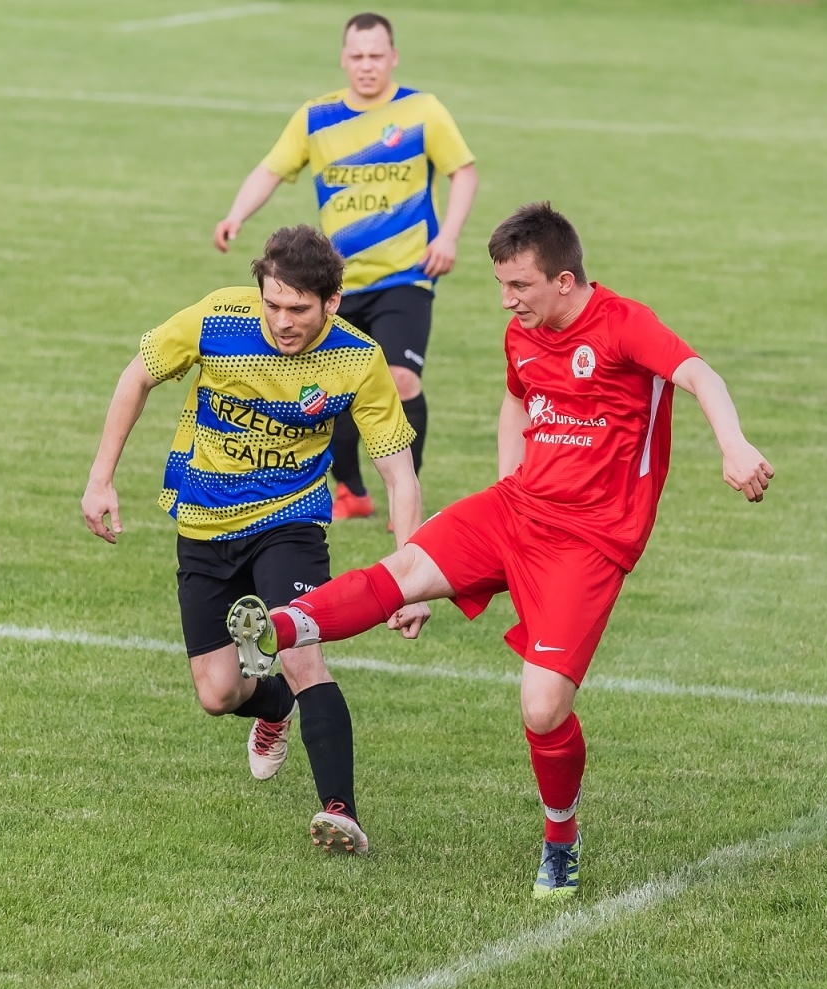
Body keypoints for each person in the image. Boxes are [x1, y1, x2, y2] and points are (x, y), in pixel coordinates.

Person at [226, 203, 775, 897]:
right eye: (501, 285)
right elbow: (516, 401)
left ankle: (560, 839)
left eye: (519, 286)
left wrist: (734, 445)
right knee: (403, 571)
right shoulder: (522, 334)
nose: (507, 300)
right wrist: (510, 480)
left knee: (542, 708)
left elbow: (700, 375)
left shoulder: (624, 325)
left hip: (591, 543)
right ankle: (271, 628)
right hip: (516, 510)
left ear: (565, 282)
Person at [82, 225, 421, 856]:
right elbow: (137, 376)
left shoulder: (358, 359)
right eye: (273, 304)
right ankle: (273, 705)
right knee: (217, 694)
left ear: (333, 302)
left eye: (299, 309)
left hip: (289, 521)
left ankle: (339, 811)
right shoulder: (217, 318)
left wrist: (410, 577)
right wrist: (100, 480)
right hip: (204, 521)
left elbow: (398, 471)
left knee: (301, 651)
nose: (283, 321)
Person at [213, 12, 477, 520]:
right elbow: (271, 169)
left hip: (406, 275)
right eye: (357, 56)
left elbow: (462, 173)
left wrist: (448, 236)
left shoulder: (422, 110)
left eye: (376, 55)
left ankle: (408, 495)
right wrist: (235, 214)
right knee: (329, 391)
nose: (367, 65)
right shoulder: (317, 117)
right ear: (343, 59)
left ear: (393, 57)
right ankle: (352, 490)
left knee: (400, 379)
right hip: (334, 285)